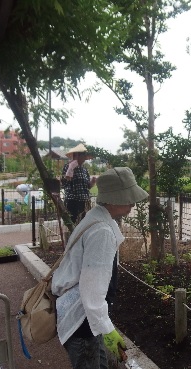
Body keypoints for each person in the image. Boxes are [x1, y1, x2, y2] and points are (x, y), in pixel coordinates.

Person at [51, 167, 148, 369]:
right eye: (127, 197)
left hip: (80, 314)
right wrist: (107, 328)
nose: (132, 203)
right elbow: (92, 290)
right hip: (82, 320)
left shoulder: (95, 217)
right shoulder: (102, 231)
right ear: (112, 199)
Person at [62, 143, 94, 224]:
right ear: (76, 156)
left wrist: (93, 182)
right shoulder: (68, 167)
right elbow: (65, 183)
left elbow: (87, 186)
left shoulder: (84, 170)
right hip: (73, 201)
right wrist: (70, 169)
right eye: (83, 156)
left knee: (83, 224)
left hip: (84, 201)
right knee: (72, 224)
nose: (84, 158)